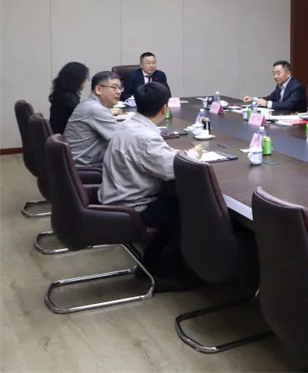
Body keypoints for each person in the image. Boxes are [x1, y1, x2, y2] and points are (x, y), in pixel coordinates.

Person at [99, 82, 203, 288]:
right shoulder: (145, 137)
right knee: (191, 211)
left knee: (175, 203)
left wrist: (175, 153)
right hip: (132, 205)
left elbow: (153, 156)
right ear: (165, 108)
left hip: (117, 194)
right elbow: (173, 169)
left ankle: (150, 263)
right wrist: (194, 154)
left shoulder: (129, 125)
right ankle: (164, 273)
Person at [63, 71, 124, 166]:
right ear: (98, 89)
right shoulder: (95, 109)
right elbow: (122, 139)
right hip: (83, 166)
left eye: (120, 88)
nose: (119, 92)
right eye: (114, 87)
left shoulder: (90, 103)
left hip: (78, 161)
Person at [242, 60, 307, 112]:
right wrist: (254, 99)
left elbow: (288, 105)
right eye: (274, 74)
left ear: (288, 73)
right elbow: (270, 98)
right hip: (282, 115)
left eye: (278, 73)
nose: (275, 77)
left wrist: (267, 104)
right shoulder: (280, 85)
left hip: (295, 118)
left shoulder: (297, 87)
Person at [48, 62, 89, 134]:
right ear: (77, 79)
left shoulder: (61, 95)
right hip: (68, 137)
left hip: (60, 135)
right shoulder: (69, 100)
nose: (86, 81)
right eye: (85, 78)